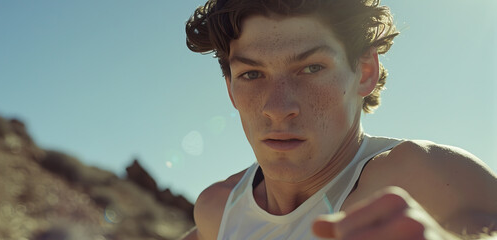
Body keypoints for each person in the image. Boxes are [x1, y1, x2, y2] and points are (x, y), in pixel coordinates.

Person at [181, 0, 497, 239]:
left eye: (311, 68)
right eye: (251, 74)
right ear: (231, 90)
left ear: (365, 72)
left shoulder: (421, 176)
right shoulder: (217, 210)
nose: (277, 107)